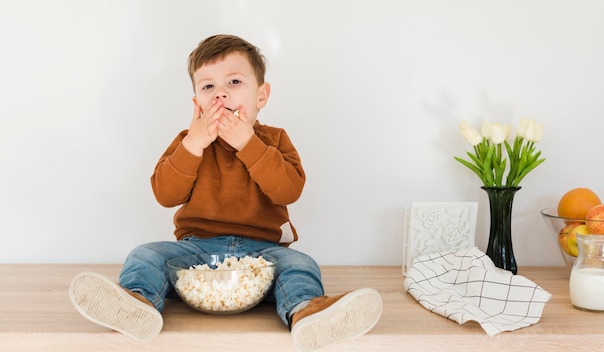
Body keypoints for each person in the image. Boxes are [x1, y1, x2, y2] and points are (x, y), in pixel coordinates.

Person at [69, 34, 383, 350]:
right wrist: (193, 144)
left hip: (264, 254)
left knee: (301, 265)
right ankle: (136, 304)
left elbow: (288, 190)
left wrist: (250, 145)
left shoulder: (274, 140)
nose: (220, 94)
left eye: (233, 82)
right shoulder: (188, 141)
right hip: (196, 253)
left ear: (261, 95)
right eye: (208, 87)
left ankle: (306, 312)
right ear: (197, 104)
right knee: (145, 254)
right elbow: (165, 194)